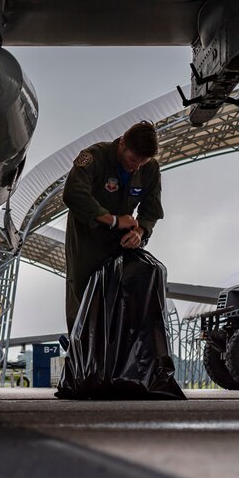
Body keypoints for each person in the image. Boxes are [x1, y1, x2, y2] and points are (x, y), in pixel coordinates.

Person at [62, 121, 163, 332]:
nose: (136, 167)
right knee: (83, 300)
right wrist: (113, 220)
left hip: (122, 244)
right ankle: (81, 352)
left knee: (127, 299)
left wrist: (140, 232)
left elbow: (151, 209)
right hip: (86, 242)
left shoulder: (150, 168)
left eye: (141, 163)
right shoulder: (94, 157)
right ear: (122, 143)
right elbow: (73, 194)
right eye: (133, 159)